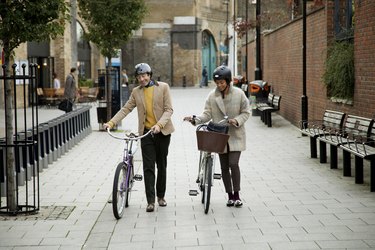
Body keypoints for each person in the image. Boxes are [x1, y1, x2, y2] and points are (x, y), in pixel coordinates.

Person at [103, 63, 174, 213]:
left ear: (150, 75)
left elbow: (169, 110)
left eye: (144, 76)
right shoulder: (136, 92)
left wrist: (159, 125)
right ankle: (150, 201)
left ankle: (161, 196)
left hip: (162, 132)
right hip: (146, 133)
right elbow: (126, 109)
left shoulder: (163, 87)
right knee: (148, 167)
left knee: (161, 165)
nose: (142, 79)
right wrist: (111, 122)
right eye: (139, 77)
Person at [184, 65, 250, 207]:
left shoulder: (239, 94)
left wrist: (236, 120)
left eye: (222, 82)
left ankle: (237, 195)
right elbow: (207, 114)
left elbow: (246, 112)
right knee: (224, 168)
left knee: (233, 163)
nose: (220, 85)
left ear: (228, 81)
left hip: (235, 135)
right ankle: (230, 196)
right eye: (217, 83)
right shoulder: (212, 96)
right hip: (219, 136)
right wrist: (195, 119)